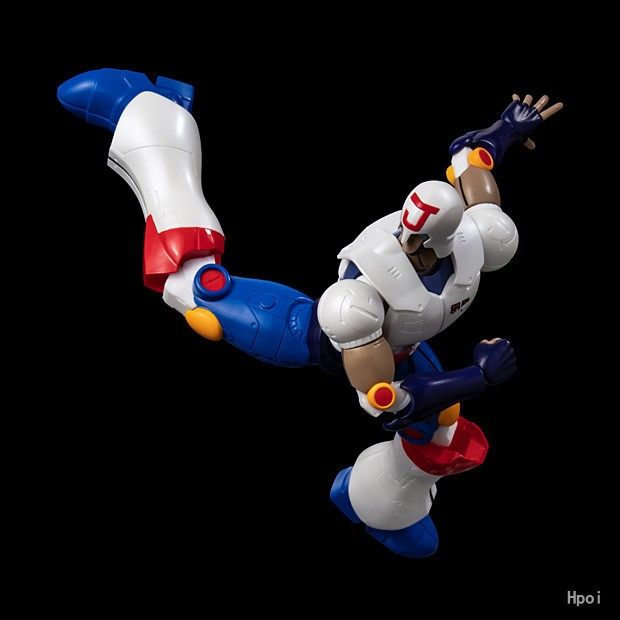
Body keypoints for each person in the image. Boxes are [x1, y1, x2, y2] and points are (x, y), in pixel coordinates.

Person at [58, 70, 561, 557]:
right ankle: (153, 124)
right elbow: (388, 400)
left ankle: (375, 506)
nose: (408, 245)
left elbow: (471, 163)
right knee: (192, 285)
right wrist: (475, 377)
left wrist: (505, 130)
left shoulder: (480, 237)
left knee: (439, 436)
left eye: (421, 243)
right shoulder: (359, 295)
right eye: (406, 236)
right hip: (324, 338)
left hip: (404, 346)